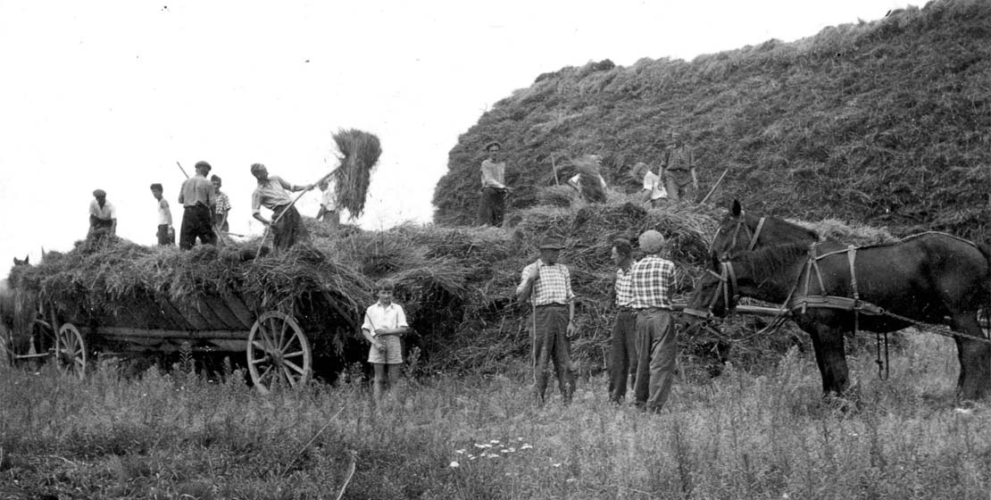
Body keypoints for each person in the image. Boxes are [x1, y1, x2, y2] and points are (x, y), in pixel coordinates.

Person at [516, 235, 577, 404]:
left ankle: (567, 399)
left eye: (558, 251)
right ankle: (539, 400)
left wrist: (571, 321)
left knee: (564, 358)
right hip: (542, 315)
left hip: (562, 315)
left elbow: (570, 297)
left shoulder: (562, 269)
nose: (557, 254)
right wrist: (530, 280)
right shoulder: (531, 269)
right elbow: (520, 297)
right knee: (541, 358)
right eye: (554, 251)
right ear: (545, 251)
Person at [631, 230, 678, 412]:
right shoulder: (668, 266)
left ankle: (640, 402)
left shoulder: (635, 267)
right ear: (661, 246)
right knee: (661, 361)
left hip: (641, 317)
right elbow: (671, 290)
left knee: (643, 359)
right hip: (661, 315)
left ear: (642, 247)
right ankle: (655, 405)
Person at [361, 279, 409, 400]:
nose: (386, 295)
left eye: (389, 293)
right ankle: (378, 410)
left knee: (394, 379)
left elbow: (403, 328)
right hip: (377, 343)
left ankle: (395, 408)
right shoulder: (371, 310)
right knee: (379, 378)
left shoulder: (397, 309)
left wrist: (386, 331)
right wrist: (375, 343)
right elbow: (365, 330)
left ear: (392, 293)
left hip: (393, 342)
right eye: (383, 292)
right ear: (378, 293)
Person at [250, 163, 313, 251]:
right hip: (280, 214)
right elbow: (255, 213)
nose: (267, 173)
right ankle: (281, 258)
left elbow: (292, 187)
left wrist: (305, 187)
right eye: (264, 172)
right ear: (258, 175)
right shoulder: (258, 192)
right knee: (284, 238)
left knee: (301, 232)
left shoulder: (276, 179)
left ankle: (306, 252)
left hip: (291, 208)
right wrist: (267, 222)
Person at [607, 238, 637, 404]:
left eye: (614, 255)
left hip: (634, 316)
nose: (612, 258)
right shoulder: (618, 273)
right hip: (621, 315)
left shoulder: (639, 270)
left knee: (635, 360)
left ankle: (638, 398)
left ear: (624, 255)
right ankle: (615, 398)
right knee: (616, 359)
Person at [177, 161, 217, 250]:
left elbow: (180, 200)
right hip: (201, 212)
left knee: (186, 243)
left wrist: (190, 195)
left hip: (188, 213)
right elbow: (213, 203)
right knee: (210, 240)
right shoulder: (208, 183)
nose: (208, 173)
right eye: (207, 171)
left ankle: (185, 260)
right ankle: (210, 259)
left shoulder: (186, 182)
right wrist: (213, 217)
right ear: (203, 170)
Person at [477, 141, 509, 226]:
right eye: (492, 151)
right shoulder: (485, 163)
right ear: (488, 152)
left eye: (496, 150)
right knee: (486, 214)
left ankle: (497, 229)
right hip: (489, 190)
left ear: (499, 151)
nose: (494, 152)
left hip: (500, 191)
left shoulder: (502, 164)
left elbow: (502, 178)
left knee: (499, 217)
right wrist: (503, 187)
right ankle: (483, 226)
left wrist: (504, 190)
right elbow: (489, 179)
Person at [662, 131, 698, 202]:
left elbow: (692, 166)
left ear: (682, 138)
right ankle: (674, 210)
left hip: (685, 176)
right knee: (674, 199)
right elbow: (662, 165)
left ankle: (686, 211)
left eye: (677, 138)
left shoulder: (689, 150)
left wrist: (695, 181)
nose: (674, 140)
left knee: (687, 200)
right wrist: (659, 180)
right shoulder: (668, 149)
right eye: (673, 138)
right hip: (672, 175)